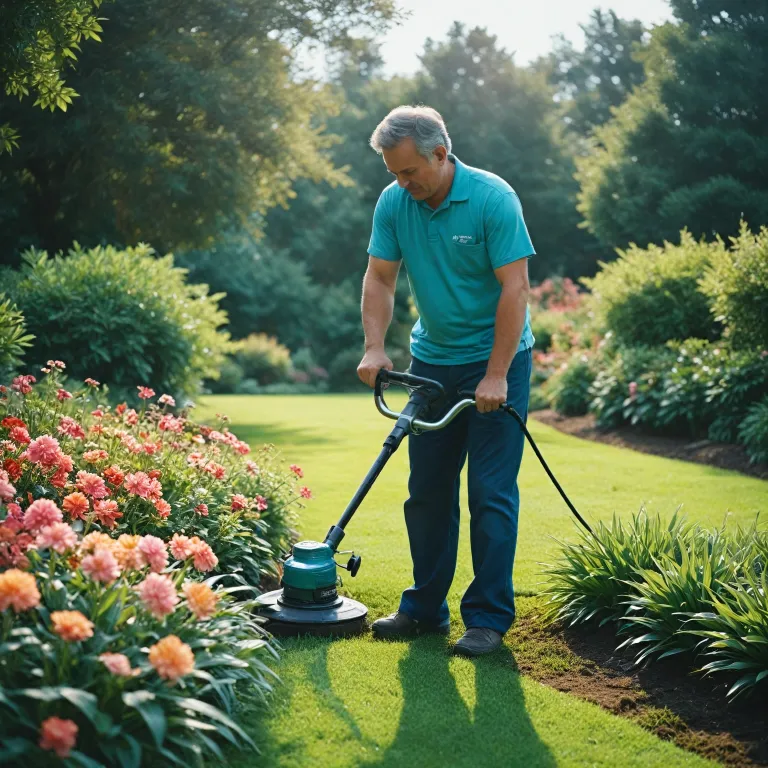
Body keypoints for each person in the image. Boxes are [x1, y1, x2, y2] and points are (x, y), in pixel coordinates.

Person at [356, 105, 536, 658]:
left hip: (496, 363)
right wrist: (374, 345)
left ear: (440, 154)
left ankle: (486, 618)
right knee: (427, 491)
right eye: (392, 172)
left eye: (408, 171)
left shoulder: (492, 199)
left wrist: (498, 374)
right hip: (432, 362)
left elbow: (516, 289)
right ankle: (425, 608)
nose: (400, 182)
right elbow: (380, 277)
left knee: (490, 492)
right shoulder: (395, 203)